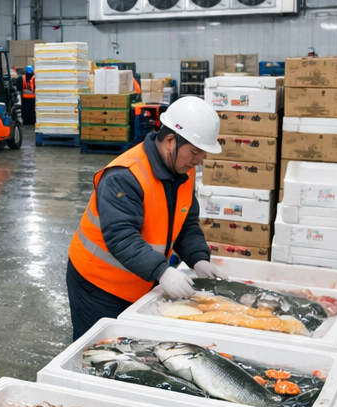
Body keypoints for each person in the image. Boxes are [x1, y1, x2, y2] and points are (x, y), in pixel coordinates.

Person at [66, 96, 221, 340]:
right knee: (99, 352)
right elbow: (122, 237)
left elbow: (186, 223)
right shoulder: (125, 176)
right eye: (195, 152)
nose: (199, 160)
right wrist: (163, 272)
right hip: (97, 285)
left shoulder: (184, 171)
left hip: (141, 279)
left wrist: (198, 258)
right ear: (171, 141)